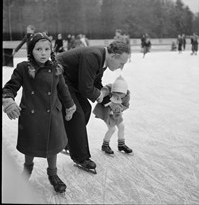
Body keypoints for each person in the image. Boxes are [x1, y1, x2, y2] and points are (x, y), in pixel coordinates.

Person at [2, 32, 76, 194]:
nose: (43, 53)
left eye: (46, 49)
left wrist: (70, 106)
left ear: (51, 50)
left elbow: (63, 90)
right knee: (31, 145)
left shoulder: (56, 69)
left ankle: (53, 174)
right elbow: (9, 88)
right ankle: (27, 168)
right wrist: (8, 101)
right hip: (31, 115)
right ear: (31, 51)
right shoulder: (23, 68)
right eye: (38, 49)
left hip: (52, 115)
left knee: (53, 146)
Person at [56, 41, 130, 173]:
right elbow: (86, 87)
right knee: (76, 113)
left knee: (85, 109)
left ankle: (69, 142)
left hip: (72, 80)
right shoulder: (94, 56)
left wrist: (109, 101)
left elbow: (95, 83)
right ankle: (80, 157)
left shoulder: (102, 59)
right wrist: (99, 96)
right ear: (114, 56)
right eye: (121, 63)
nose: (122, 67)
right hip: (60, 77)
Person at [93, 76, 133, 155]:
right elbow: (104, 90)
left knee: (121, 126)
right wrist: (103, 94)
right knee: (112, 129)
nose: (118, 95)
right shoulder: (110, 89)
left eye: (120, 94)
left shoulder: (126, 96)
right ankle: (105, 145)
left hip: (117, 114)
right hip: (107, 113)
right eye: (116, 93)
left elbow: (126, 105)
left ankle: (121, 144)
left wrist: (120, 109)